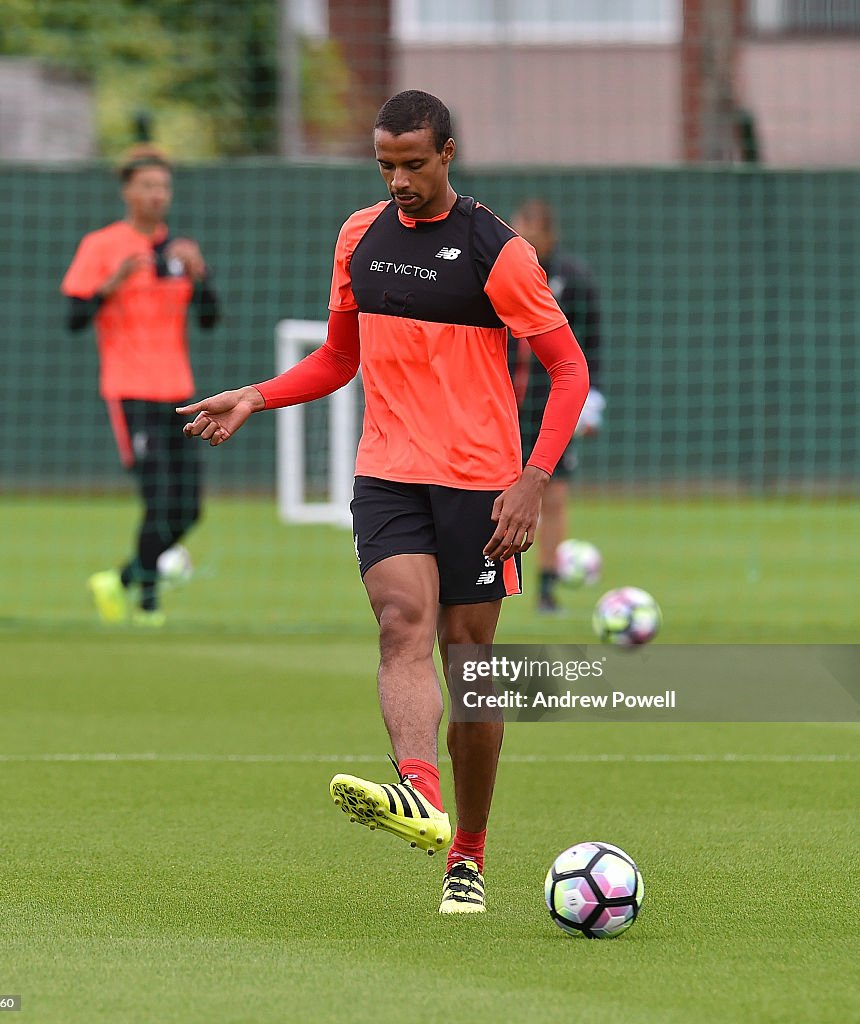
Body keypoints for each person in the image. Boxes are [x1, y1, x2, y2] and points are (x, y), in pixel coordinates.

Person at [178, 92, 588, 913]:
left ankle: (466, 853)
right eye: (385, 165)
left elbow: (569, 370)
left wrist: (532, 478)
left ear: (447, 155)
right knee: (401, 622)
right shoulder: (357, 238)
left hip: (480, 482)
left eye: (412, 163)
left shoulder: (499, 253)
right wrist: (257, 396)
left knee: (471, 669)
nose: (398, 180)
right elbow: (338, 357)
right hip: (390, 472)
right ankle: (418, 792)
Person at [61, 146, 220, 627]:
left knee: (189, 507)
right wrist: (111, 283)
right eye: (148, 186)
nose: (157, 195)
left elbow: (211, 319)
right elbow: (73, 318)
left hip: (179, 392)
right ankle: (149, 603)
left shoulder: (178, 251)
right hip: (129, 391)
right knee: (157, 499)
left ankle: (122, 578)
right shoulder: (102, 245)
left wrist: (201, 274)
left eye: (164, 187)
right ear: (128, 191)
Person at [509, 199, 605, 613]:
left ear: (548, 233)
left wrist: (592, 397)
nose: (522, 234)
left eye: (530, 228)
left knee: (556, 494)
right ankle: (487, 579)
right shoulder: (501, 269)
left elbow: (593, 340)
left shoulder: (573, 278)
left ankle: (547, 588)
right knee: (487, 493)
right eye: (518, 227)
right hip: (504, 403)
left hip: (553, 404)